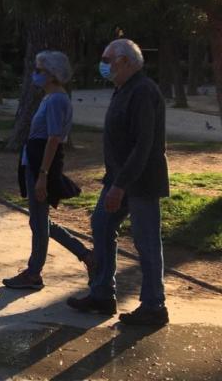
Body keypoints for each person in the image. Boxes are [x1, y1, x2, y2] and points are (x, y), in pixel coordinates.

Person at [67, 39, 170, 326]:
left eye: (107, 59)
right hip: (119, 179)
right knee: (101, 224)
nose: (104, 64)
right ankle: (102, 294)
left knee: (146, 242)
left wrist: (120, 184)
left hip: (141, 182)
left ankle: (154, 306)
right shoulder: (123, 89)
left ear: (125, 61)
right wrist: (114, 180)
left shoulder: (143, 90)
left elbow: (144, 144)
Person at [2, 51, 92, 290]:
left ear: (53, 75)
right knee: (40, 221)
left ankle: (34, 273)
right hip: (34, 162)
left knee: (39, 223)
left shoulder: (56, 100)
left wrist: (43, 175)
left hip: (42, 164)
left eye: (40, 70)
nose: (35, 74)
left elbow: (53, 138)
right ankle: (86, 255)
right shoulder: (49, 98)